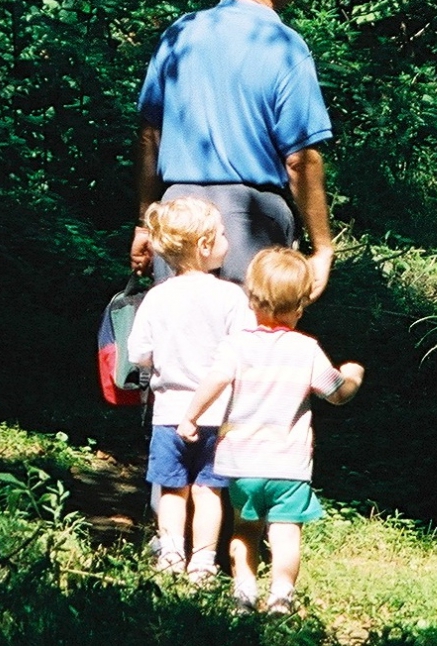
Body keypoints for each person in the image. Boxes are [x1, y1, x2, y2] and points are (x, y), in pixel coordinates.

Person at [130, 0, 335, 302]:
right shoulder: (284, 46)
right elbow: (301, 160)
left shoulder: (180, 35)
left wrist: (145, 224)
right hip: (249, 224)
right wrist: (322, 248)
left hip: (177, 222)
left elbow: (149, 138)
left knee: (178, 351)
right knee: (250, 349)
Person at [177, 247, 364, 613]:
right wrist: (353, 375)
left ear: (251, 300)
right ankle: (281, 594)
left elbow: (214, 380)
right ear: (300, 307)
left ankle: (244, 592)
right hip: (288, 467)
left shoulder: (236, 345)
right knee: (284, 531)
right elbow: (337, 394)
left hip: (241, 464)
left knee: (245, 529)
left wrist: (190, 416)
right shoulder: (307, 349)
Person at [126, 197, 254, 582]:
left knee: (172, 491)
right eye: (221, 233)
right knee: (208, 493)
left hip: (169, 415)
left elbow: (138, 353)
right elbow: (245, 351)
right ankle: (202, 562)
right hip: (219, 417)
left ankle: (170, 554)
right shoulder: (232, 296)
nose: (227, 239)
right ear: (203, 245)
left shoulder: (158, 296)